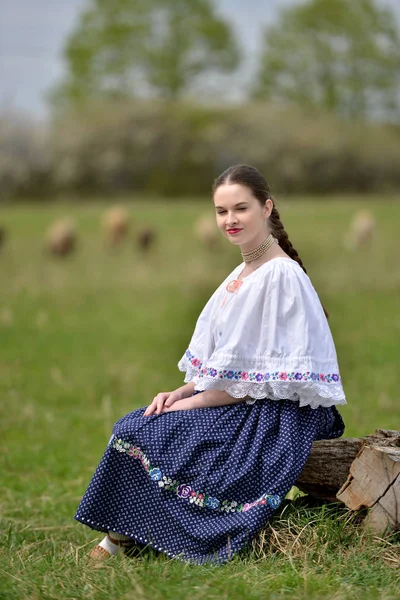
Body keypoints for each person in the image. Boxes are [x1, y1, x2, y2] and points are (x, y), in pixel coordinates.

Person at [75, 164, 346, 564]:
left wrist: (192, 403)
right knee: (139, 422)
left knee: (145, 429)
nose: (230, 220)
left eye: (241, 208)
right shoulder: (243, 272)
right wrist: (180, 390)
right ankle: (126, 535)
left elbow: (256, 383)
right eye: (221, 211)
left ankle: (121, 540)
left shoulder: (280, 276)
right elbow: (228, 366)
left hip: (274, 414)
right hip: (239, 397)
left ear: (266, 208)